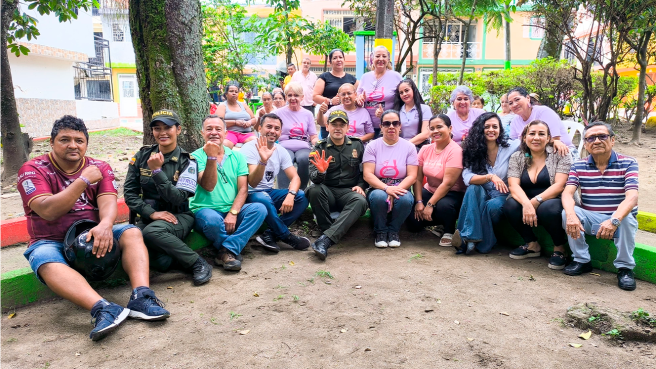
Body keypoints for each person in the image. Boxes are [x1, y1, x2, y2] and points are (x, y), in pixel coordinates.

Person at [17, 115, 170, 341]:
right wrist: (83, 181)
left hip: (93, 231)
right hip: (51, 239)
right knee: (43, 259)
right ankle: (103, 308)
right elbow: (47, 210)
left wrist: (106, 225)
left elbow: (108, 202)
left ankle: (141, 296)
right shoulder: (32, 169)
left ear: (86, 144)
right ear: (51, 142)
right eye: (64, 140)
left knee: (132, 232)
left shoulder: (100, 166)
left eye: (79, 140)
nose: (73, 145)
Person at [124, 110, 212, 286]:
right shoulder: (142, 156)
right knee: (161, 262)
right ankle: (176, 260)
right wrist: (151, 213)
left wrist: (157, 171)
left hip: (178, 216)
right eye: (157, 128)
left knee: (152, 233)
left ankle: (198, 263)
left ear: (178, 130)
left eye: (167, 128)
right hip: (148, 217)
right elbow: (129, 193)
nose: (162, 133)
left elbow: (179, 199)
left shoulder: (188, 161)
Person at [562, 122, 639, 291]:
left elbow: (632, 197)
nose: (596, 141)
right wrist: (571, 215)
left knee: (625, 216)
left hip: (619, 221)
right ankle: (581, 260)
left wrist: (614, 220)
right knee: (567, 212)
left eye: (602, 136)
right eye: (591, 138)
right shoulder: (578, 165)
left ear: (612, 140)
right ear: (586, 143)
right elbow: (567, 193)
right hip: (593, 219)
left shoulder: (628, 163)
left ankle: (625, 269)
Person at [190, 115, 267, 271]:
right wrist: (211, 156)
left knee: (259, 209)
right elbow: (208, 186)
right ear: (202, 132)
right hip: (205, 210)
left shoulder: (237, 156)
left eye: (218, 129)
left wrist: (233, 212)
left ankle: (226, 251)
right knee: (212, 221)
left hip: (231, 210)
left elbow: (243, 189)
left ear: (225, 133)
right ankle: (232, 249)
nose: (214, 132)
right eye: (209, 129)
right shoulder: (194, 157)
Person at [503, 120, 571, 268]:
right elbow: (513, 185)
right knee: (510, 205)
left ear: (548, 138)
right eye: (532, 133)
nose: (536, 137)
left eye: (541, 134)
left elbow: (560, 185)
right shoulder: (517, 157)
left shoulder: (560, 154)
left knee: (548, 208)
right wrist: (527, 203)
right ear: (525, 137)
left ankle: (560, 248)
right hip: (526, 199)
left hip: (554, 199)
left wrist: (536, 201)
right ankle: (532, 244)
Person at [452, 112, 520, 254]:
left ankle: (467, 239)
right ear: (480, 129)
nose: (491, 130)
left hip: (503, 195)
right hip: (481, 193)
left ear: (500, 129)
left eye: (495, 126)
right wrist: (490, 177)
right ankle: (471, 238)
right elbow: (467, 177)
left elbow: (531, 140)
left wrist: (556, 141)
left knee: (491, 206)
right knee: (473, 188)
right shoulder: (472, 151)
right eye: (486, 126)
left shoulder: (511, 147)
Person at [241, 113, 311, 252]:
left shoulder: (281, 151)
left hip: (268, 192)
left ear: (280, 132)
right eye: (269, 127)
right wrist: (263, 161)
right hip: (250, 194)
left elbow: (295, 178)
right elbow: (253, 183)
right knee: (264, 198)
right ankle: (286, 236)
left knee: (302, 197)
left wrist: (291, 195)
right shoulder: (248, 148)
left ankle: (270, 234)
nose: (273, 131)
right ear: (260, 128)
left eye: (276, 128)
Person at [307, 110, 369, 260]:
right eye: (334, 124)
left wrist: (361, 185)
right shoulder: (319, 147)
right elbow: (313, 178)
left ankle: (325, 240)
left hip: (348, 191)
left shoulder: (357, 145)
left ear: (348, 127)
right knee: (313, 190)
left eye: (342, 125)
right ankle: (329, 231)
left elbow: (366, 170)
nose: (338, 128)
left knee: (361, 201)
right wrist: (321, 173)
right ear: (327, 126)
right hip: (327, 191)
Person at [406, 114, 466, 246]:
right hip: (430, 189)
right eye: (432, 128)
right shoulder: (425, 149)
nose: (435, 131)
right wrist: (419, 201)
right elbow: (418, 177)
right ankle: (439, 222)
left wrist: (429, 205)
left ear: (450, 128)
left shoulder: (455, 151)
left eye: (439, 127)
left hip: (452, 193)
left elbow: (448, 183)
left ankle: (449, 230)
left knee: (444, 205)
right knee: (413, 223)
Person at [363, 110, 418, 248]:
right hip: (378, 186)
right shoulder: (372, 146)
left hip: (401, 185)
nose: (391, 127)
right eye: (387, 123)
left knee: (405, 199)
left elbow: (412, 175)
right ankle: (380, 231)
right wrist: (387, 188)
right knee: (379, 197)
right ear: (381, 127)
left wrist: (396, 190)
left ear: (400, 126)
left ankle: (393, 231)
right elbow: (368, 174)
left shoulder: (409, 147)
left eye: (395, 123)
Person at [507, 87, 574, 156]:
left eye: (517, 99)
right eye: (510, 103)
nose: (514, 105)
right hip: (533, 156)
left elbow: (555, 139)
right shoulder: (514, 121)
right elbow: (514, 144)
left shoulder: (544, 112)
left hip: (561, 152)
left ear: (527, 98)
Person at [276, 82, 318, 190]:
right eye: (290, 95)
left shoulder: (308, 114)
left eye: (296, 95)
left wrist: (318, 143)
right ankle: (283, 191)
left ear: (302, 97)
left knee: (304, 158)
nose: (293, 98)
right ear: (286, 97)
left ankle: (302, 190)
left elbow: (313, 136)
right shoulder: (279, 113)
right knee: (285, 158)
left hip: (303, 145)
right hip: (285, 145)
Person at [358, 46, 403, 138]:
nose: (381, 59)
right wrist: (359, 100)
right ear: (372, 59)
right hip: (366, 127)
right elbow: (357, 99)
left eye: (384, 56)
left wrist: (386, 113)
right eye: (378, 56)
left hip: (388, 126)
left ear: (388, 59)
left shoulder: (396, 76)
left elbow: (404, 99)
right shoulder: (365, 77)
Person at [313, 49, 359, 138]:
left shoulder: (352, 79)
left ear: (344, 60)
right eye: (335, 58)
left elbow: (358, 95)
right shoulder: (324, 77)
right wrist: (330, 101)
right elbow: (314, 96)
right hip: (329, 118)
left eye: (340, 57)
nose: (338, 60)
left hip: (348, 119)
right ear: (330, 62)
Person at [391, 78, 433, 149]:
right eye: (401, 93)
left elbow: (426, 133)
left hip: (419, 148)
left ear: (413, 90)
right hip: (399, 148)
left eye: (406, 90)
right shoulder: (397, 111)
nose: (404, 94)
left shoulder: (425, 109)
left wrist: (406, 145)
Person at [216, 83, 257, 149]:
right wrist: (235, 122)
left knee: (256, 143)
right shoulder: (222, 106)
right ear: (226, 94)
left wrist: (249, 122)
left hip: (246, 134)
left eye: (236, 92)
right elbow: (218, 122)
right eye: (231, 91)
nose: (234, 93)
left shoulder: (243, 105)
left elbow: (254, 119)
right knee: (224, 145)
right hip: (230, 133)